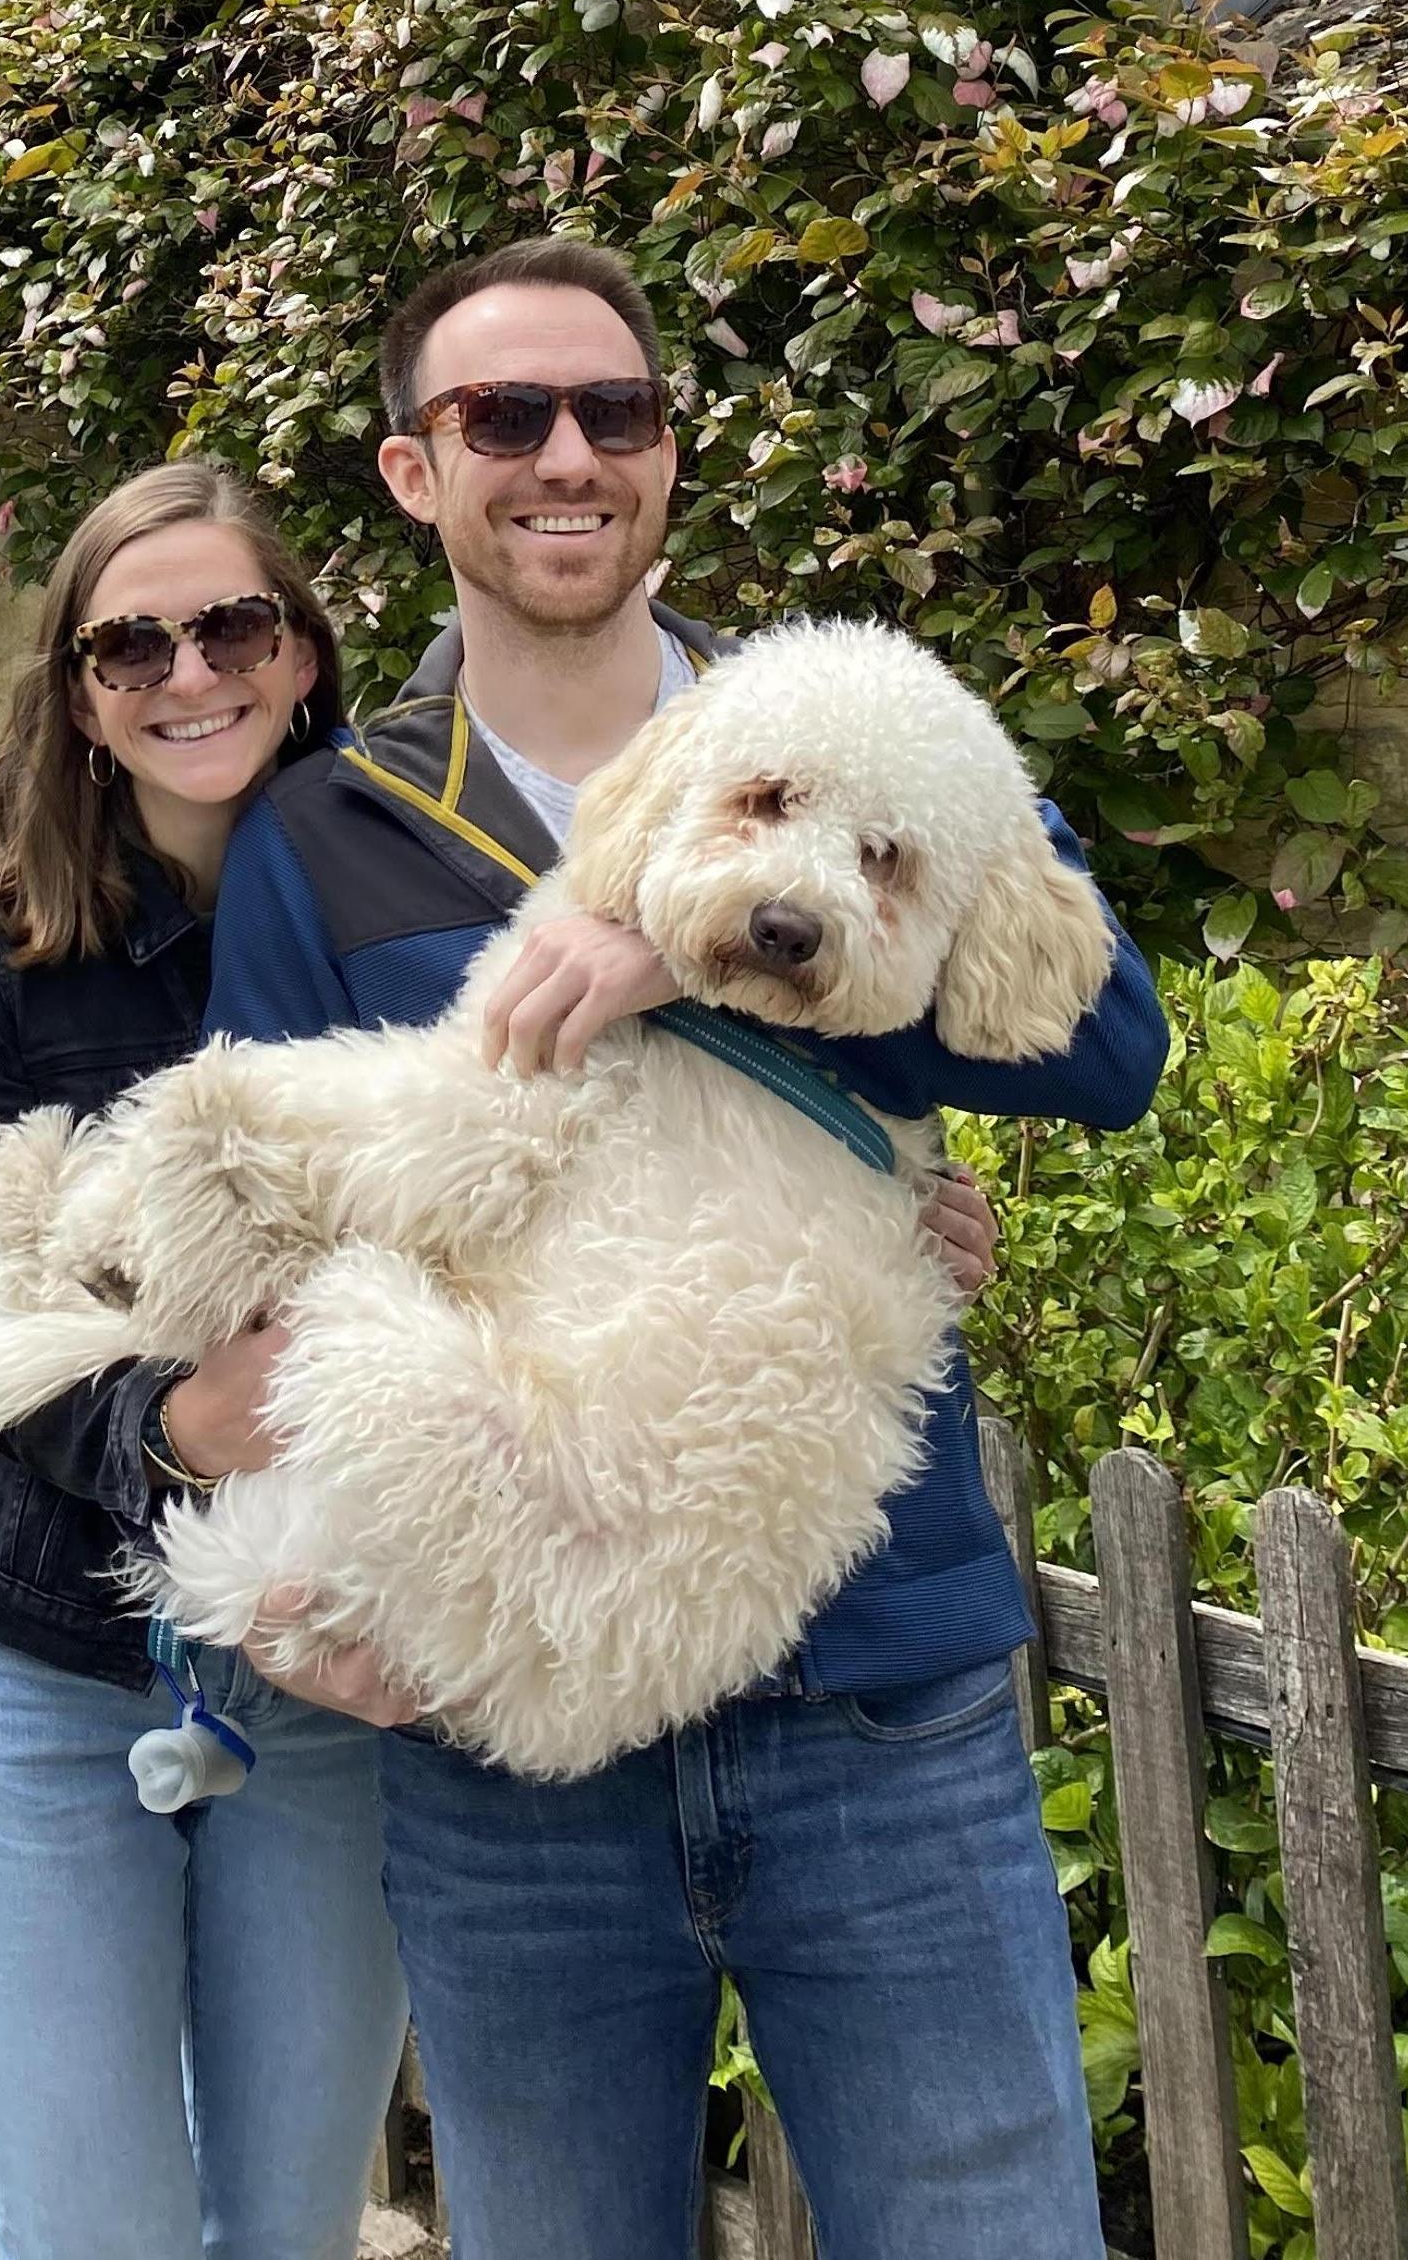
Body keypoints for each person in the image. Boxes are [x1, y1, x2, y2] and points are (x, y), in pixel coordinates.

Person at [200, 236, 1169, 2260]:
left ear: (666, 455)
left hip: (877, 1702)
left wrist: (704, 957)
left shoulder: (853, 725)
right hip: (516, 1739)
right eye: (505, 418)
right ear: (415, 473)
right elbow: (278, 1242)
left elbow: (1109, 1046)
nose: (569, 457)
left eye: (615, 412)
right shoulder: (332, 830)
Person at [0, 460, 410, 2260]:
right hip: (49, 1647)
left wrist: (897, 1198)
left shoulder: (413, 923)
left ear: (307, 653)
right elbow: (1, 1324)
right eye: (134, 644)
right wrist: (183, 1425)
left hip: (322, 1658)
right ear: (82, 696)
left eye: (235, 625)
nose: (192, 672)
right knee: (94, 2221)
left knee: (291, 2221)